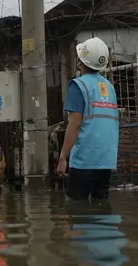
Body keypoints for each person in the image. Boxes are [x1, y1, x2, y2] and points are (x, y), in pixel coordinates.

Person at [57, 37, 119, 200]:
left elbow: (75, 124)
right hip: (106, 159)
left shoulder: (78, 85)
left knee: (76, 208)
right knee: (101, 206)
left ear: (80, 61)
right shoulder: (109, 87)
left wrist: (63, 157)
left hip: (85, 159)